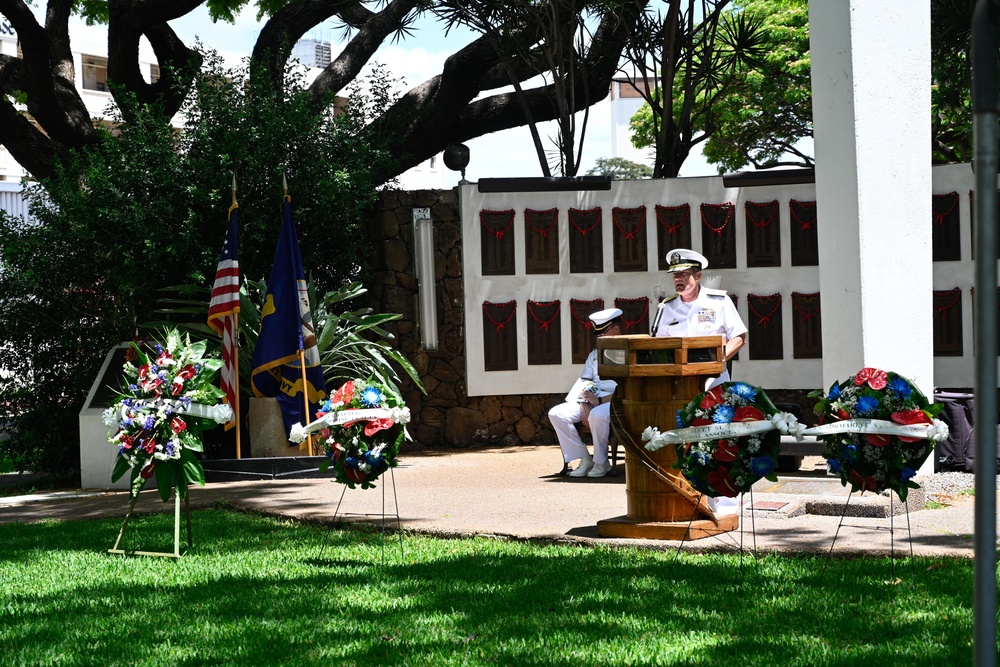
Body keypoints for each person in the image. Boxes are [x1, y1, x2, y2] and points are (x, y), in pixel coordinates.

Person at [650, 248, 747, 389]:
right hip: (679, 384)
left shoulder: (719, 302)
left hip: (714, 382)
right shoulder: (666, 308)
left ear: (698, 276)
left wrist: (717, 358)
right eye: (675, 274)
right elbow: (659, 345)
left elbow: (739, 337)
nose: (677, 278)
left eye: (683, 274)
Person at [548, 308, 623, 478]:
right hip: (591, 400)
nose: (599, 337)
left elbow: (627, 388)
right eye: (597, 333)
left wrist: (600, 400)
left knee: (597, 414)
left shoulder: (628, 354)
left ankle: (601, 461)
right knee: (557, 413)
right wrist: (583, 403)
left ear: (616, 330)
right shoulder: (594, 356)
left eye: (603, 332)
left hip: (614, 402)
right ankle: (584, 457)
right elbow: (585, 381)